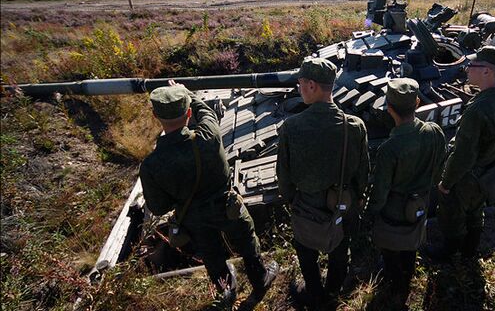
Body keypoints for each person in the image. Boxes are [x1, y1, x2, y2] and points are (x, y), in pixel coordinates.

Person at [139, 80, 278, 308]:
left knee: (211, 254)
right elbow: (207, 112)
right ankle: (260, 278)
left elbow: (159, 207)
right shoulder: (208, 136)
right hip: (227, 206)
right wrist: (185, 92)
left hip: (193, 217)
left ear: (155, 115)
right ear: (189, 113)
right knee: (246, 240)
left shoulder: (151, 165)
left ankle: (225, 291)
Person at [276, 58, 369, 307]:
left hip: (306, 205)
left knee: (306, 252)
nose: (298, 89)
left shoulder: (291, 127)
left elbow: (283, 176)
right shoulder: (354, 126)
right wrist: (356, 200)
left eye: (301, 84)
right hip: (342, 203)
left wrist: (291, 200)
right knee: (340, 248)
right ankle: (333, 291)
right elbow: (363, 172)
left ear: (312, 85)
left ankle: (314, 293)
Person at [366, 78, 447, 308]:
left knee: (391, 250)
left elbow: (380, 192)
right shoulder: (435, 132)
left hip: (393, 210)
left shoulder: (389, 149)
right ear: (418, 103)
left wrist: (371, 212)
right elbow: (440, 168)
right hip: (419, 203)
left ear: (389, 108)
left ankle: (394, 283)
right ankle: (406, 278)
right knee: (411, 244)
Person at [436, 46, 495, 260]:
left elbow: (463, 155)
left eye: (472, 65)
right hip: (492, 173)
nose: (467, 69)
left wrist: (446, 183)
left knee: (453, 214)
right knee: (476, 213)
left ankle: (448, 252)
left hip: (469, 177)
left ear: (487, 72)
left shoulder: (478, 110)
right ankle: (470, 251)